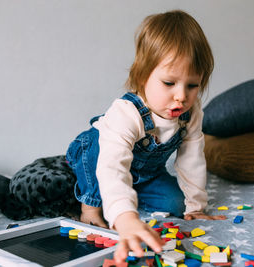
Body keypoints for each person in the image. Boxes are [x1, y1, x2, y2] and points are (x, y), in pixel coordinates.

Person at [65, 9, 225, 263]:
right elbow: (112, 166)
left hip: (145, 173)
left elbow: (192, 159)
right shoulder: (126, 113)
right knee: (100, 166)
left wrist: (196, 207)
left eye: (192, 85)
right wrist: (125, 217)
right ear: (142, 77)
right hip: (95, 157)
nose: (181, 96)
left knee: (177, 204)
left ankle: (127, 193)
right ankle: (89, 204)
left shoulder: (191, 113)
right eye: (169, 83)